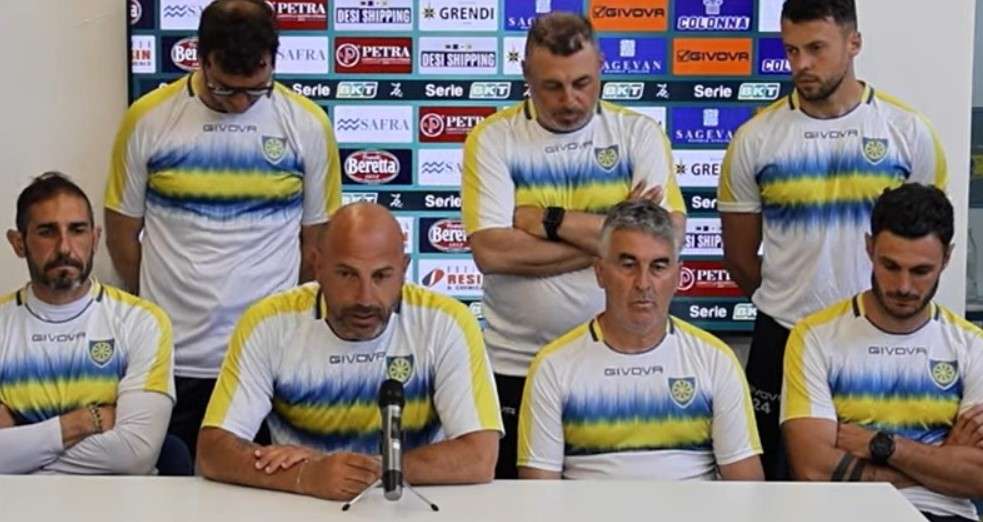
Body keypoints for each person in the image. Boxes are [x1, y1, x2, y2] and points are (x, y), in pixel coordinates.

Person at [717, 0, 948, 479]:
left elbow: (926, 242)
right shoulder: (754, 138)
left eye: (816, 48)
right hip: (781, 337)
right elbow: (739, 258)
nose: (801, 64)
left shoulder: (908, 132)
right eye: (791, 50)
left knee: (874, 470)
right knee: (775, 485)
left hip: (877, 337)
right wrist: (792, 301)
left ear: (853, 43)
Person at [104, 0, 341, 458]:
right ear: (200, 58)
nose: (239, 103)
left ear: (272, 61)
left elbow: (317, 246)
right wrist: (161, 308)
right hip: (171, 361)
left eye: (256, 90)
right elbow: (121, 236)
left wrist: (282, 326)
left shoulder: (308, 125)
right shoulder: (148, 119)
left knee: (263, 488)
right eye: (225, 88)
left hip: (267, 359)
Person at [462, 11, 686, 479]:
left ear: (602, 67)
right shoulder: (493, 138)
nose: (570, 100)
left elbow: (666, 238)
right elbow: (493, 252)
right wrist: (616, 239)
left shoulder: (638, 133)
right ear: (526, 75)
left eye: (583, 83)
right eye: (552, 86)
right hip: (516, 365)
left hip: (618, 362)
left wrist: (550, 221)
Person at [197, 203, 502, 501]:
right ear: (317, 266)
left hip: (411, 504)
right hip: (303, 505)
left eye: (381, 276)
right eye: (346, 274)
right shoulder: (268, 323)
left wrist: (358, 471)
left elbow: (480, 456)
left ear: (404, 270)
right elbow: (213, 450)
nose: (365, 298)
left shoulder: (447, 322)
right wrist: (307, 476)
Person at [517, 200, 761, 480]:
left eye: (658, 266)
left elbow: (747, 488)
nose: (643, 283)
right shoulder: (553, 366)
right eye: (628, 265)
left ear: (678, 276)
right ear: (600, 272)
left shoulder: (716, 360)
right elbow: (539, 493)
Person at [782, 184, 983, 522]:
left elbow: (977, 477)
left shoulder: (973, 345)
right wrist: (942, 459)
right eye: (890, 266)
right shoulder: (814, 336)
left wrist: (883, 446)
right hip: (845, 515)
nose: (904, 286)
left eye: (921, 271)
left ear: (947, 259)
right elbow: (812, 469)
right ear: (869, 247)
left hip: (945, 514)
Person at [0, 172, 174, 474]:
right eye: (47, 232)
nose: (65, 247)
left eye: (77, 230)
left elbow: (135, 453)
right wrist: (83, 422)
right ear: (18, 243)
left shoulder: (143, 321)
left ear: (95, 239)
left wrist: (19, 454)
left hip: (120, 499)